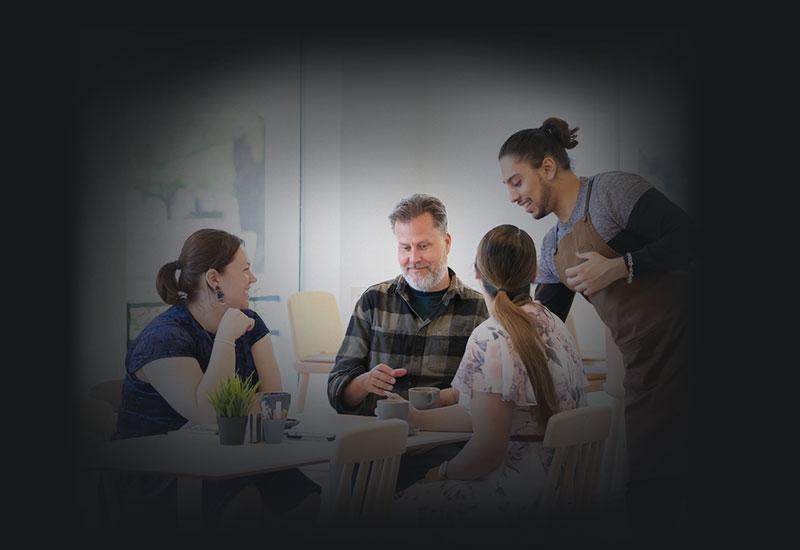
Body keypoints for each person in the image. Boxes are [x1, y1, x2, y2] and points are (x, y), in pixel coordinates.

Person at [498, 117, 697, 538]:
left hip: (689, 349)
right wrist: (493, 327)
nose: (512, 196)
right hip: (646, 371)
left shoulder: (610, 192)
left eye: (517, 182)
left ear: (548, 168)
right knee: (648, 496)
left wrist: (621, 266)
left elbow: (687, 236)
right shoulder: (552, 249)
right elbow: (542, 321)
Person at [114, 228, 320, 528]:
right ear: (214, 279)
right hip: (162, 473)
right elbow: (209, 414)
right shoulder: (163, 338)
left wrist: (237, 409)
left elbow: (274, 402)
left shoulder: (250, 322)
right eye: (246, 270)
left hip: (234, 458)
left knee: (308, 502)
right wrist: (224, 339)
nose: (253, 279)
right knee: (245, 504)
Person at [392, 224, 586, 526]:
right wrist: (416, 418)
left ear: (478, 273)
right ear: (534, 274)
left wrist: (438, 473)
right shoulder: (556, 326)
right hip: (561, 492)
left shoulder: (490, 338)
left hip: (512, 498)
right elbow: (490, 415)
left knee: (386, 505)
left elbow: (487, 452)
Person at [327, 194, 489, 490]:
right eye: (405, 247)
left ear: (447, 242)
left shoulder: (478, 309)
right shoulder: (373, 301)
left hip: (442, 445)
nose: (413, 258)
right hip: (376, 445)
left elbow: (483, 401)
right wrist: (364, 383)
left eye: (423, 245)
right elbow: (336, 389)